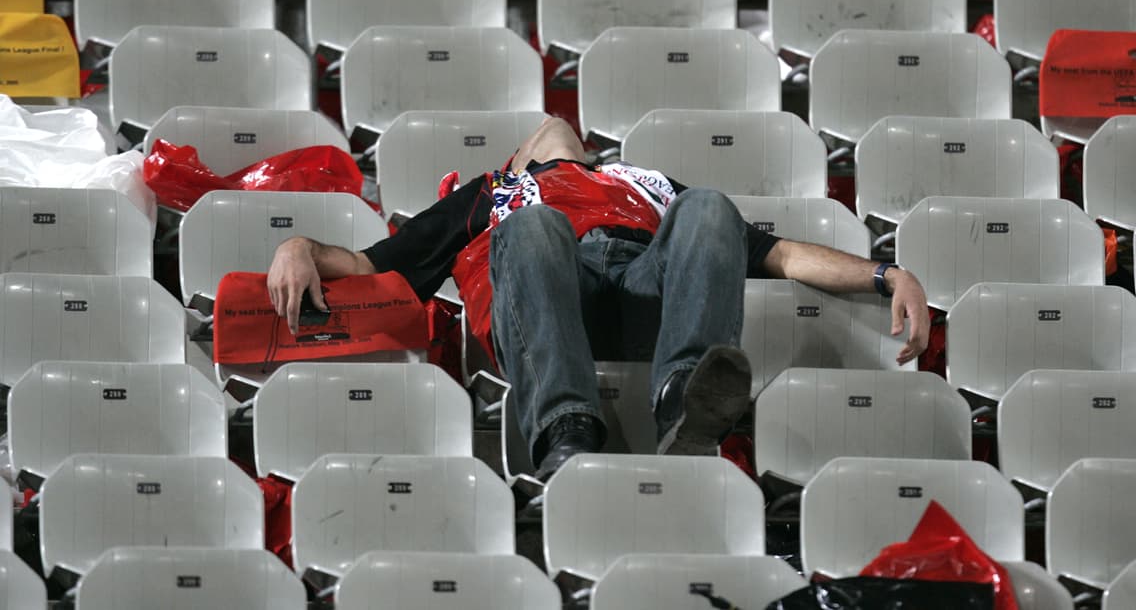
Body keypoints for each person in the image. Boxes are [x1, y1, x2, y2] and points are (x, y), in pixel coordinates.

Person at [268, 117, 931, 481]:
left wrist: (886, 274)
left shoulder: (643, 181)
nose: (553, 126)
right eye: (535, 136)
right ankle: (566, 425)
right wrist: (300, 246)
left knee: (708, 205)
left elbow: (779, 253)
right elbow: (372, 266)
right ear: (520, 158)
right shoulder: (495, 193)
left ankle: (684, 399)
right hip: (552, 308)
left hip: (644, 298)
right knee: (534, 226)